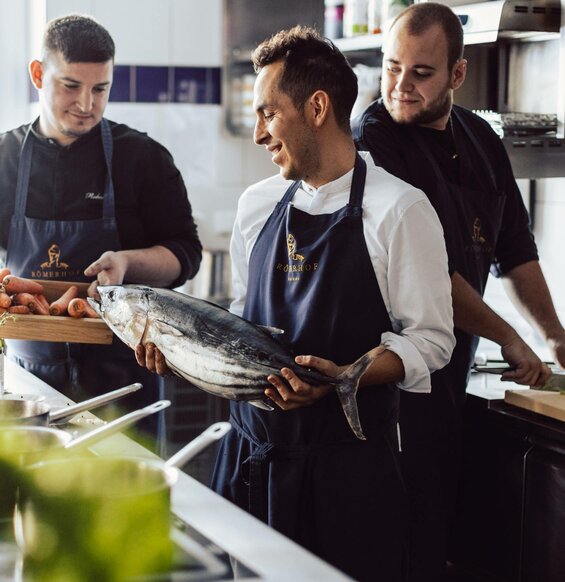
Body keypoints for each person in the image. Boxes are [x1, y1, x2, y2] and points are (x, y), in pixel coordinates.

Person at [139, 25, 455, 581]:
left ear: (316, 107)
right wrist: (185, 355)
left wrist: (343, 376)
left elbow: (432, 341)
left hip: (348, 477)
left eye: (269, 113)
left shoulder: (401, 209)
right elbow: (241, 321)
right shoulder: (257, 204)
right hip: (250, 461)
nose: (260, 133)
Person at [351, 3, 565, 580]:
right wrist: (509, 336)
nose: (400, 85)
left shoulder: (483, 141)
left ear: (457, 76)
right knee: (403, 546)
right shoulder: (371, 140)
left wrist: (555, 337)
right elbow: (425, 272)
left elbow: (516, 253)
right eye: (391, 67)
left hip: (454, 380)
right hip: (393, 384)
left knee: (448, 548)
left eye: (421, 73)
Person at [0, 14, 202, 452]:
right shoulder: (5, 158)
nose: (87, 104)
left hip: (124, 381)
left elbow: (186, 254)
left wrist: (129, 262)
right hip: (27, 385)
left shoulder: (143, 159)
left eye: (100, 89)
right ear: (38, 74)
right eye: (70, 86)